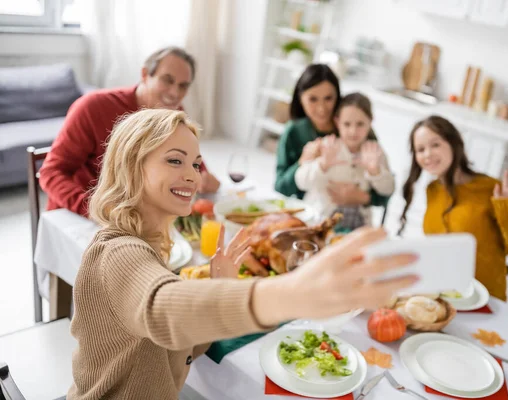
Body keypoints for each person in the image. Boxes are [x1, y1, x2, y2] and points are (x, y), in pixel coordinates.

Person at [67, 108, 418, 399]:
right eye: (175, 160)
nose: (192, 175)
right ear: (130, 166)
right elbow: (162, 312)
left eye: (196, 164)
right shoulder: (117, 252)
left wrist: (218, 287)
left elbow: (176, 346)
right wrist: (293, 294)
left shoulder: (149, 247)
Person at [39, 46, 220, 217]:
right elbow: (51, 173)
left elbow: (187, 156)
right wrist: (97, 209)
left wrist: (202, 174)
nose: (175, 93)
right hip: (84, 213)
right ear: (144, 75)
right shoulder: (92, 107)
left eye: (183, 86)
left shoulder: (173, 112)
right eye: (167, 80)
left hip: (137, 213)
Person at [398, 115, 508, 300]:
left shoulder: (491, 189)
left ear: (454, 143)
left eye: (435, 145)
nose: (427, 154)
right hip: (442, 294)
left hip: (483, 299)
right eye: (420, 149)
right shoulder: (433, 190)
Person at [275, 64, 390, 209]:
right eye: (313, 99)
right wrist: (302, 162)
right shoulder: (293, 132)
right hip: (307, 211)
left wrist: (361, 197)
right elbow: (281, 187)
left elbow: (385, 190)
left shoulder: (356, 127)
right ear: (300, 98)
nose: (322, 108)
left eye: (328, 98)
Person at [295, 93, 395, 231]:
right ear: (337, 122)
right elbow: (301, 182)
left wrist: (375, 171)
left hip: (359, 226)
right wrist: (323, 164)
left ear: (370, 122)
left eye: (360, 124)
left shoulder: (375, 152)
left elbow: (388, 189)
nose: (353, 131)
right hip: (320, 220)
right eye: (347, 124)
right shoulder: (327, 146)